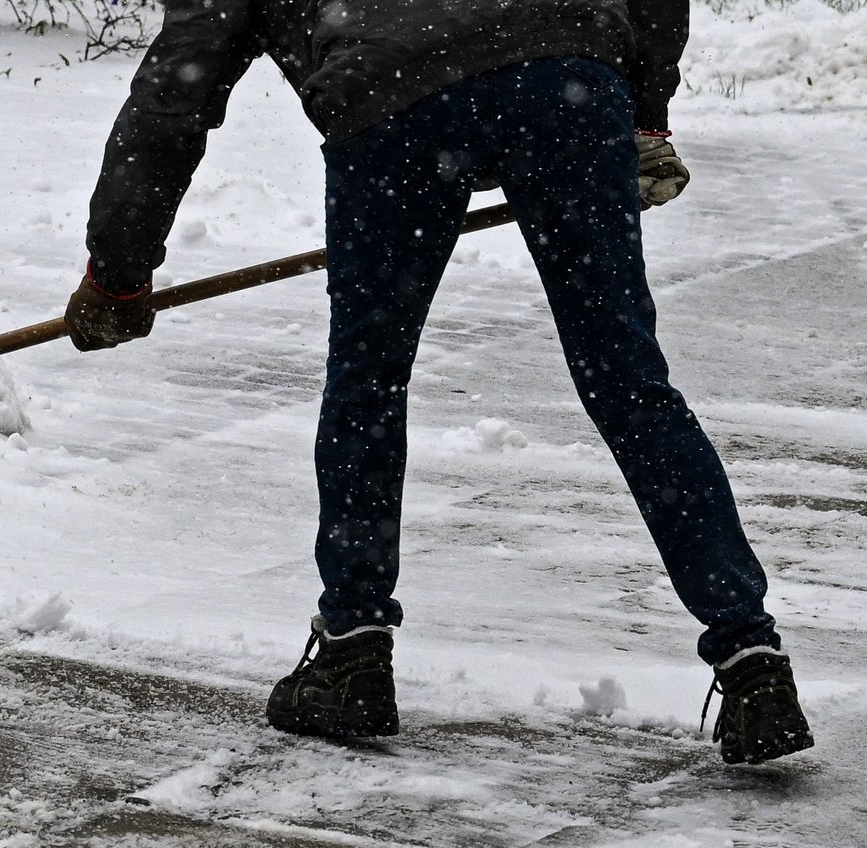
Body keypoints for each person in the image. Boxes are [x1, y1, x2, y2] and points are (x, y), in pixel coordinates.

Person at [64, 0, 814, 765]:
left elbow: (173, 93)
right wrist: (641, 111)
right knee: (625, 376)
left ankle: (352, 654)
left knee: (370, 378)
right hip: (563, 71)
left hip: (393, 92)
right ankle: (753, 665)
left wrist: (117, 276)